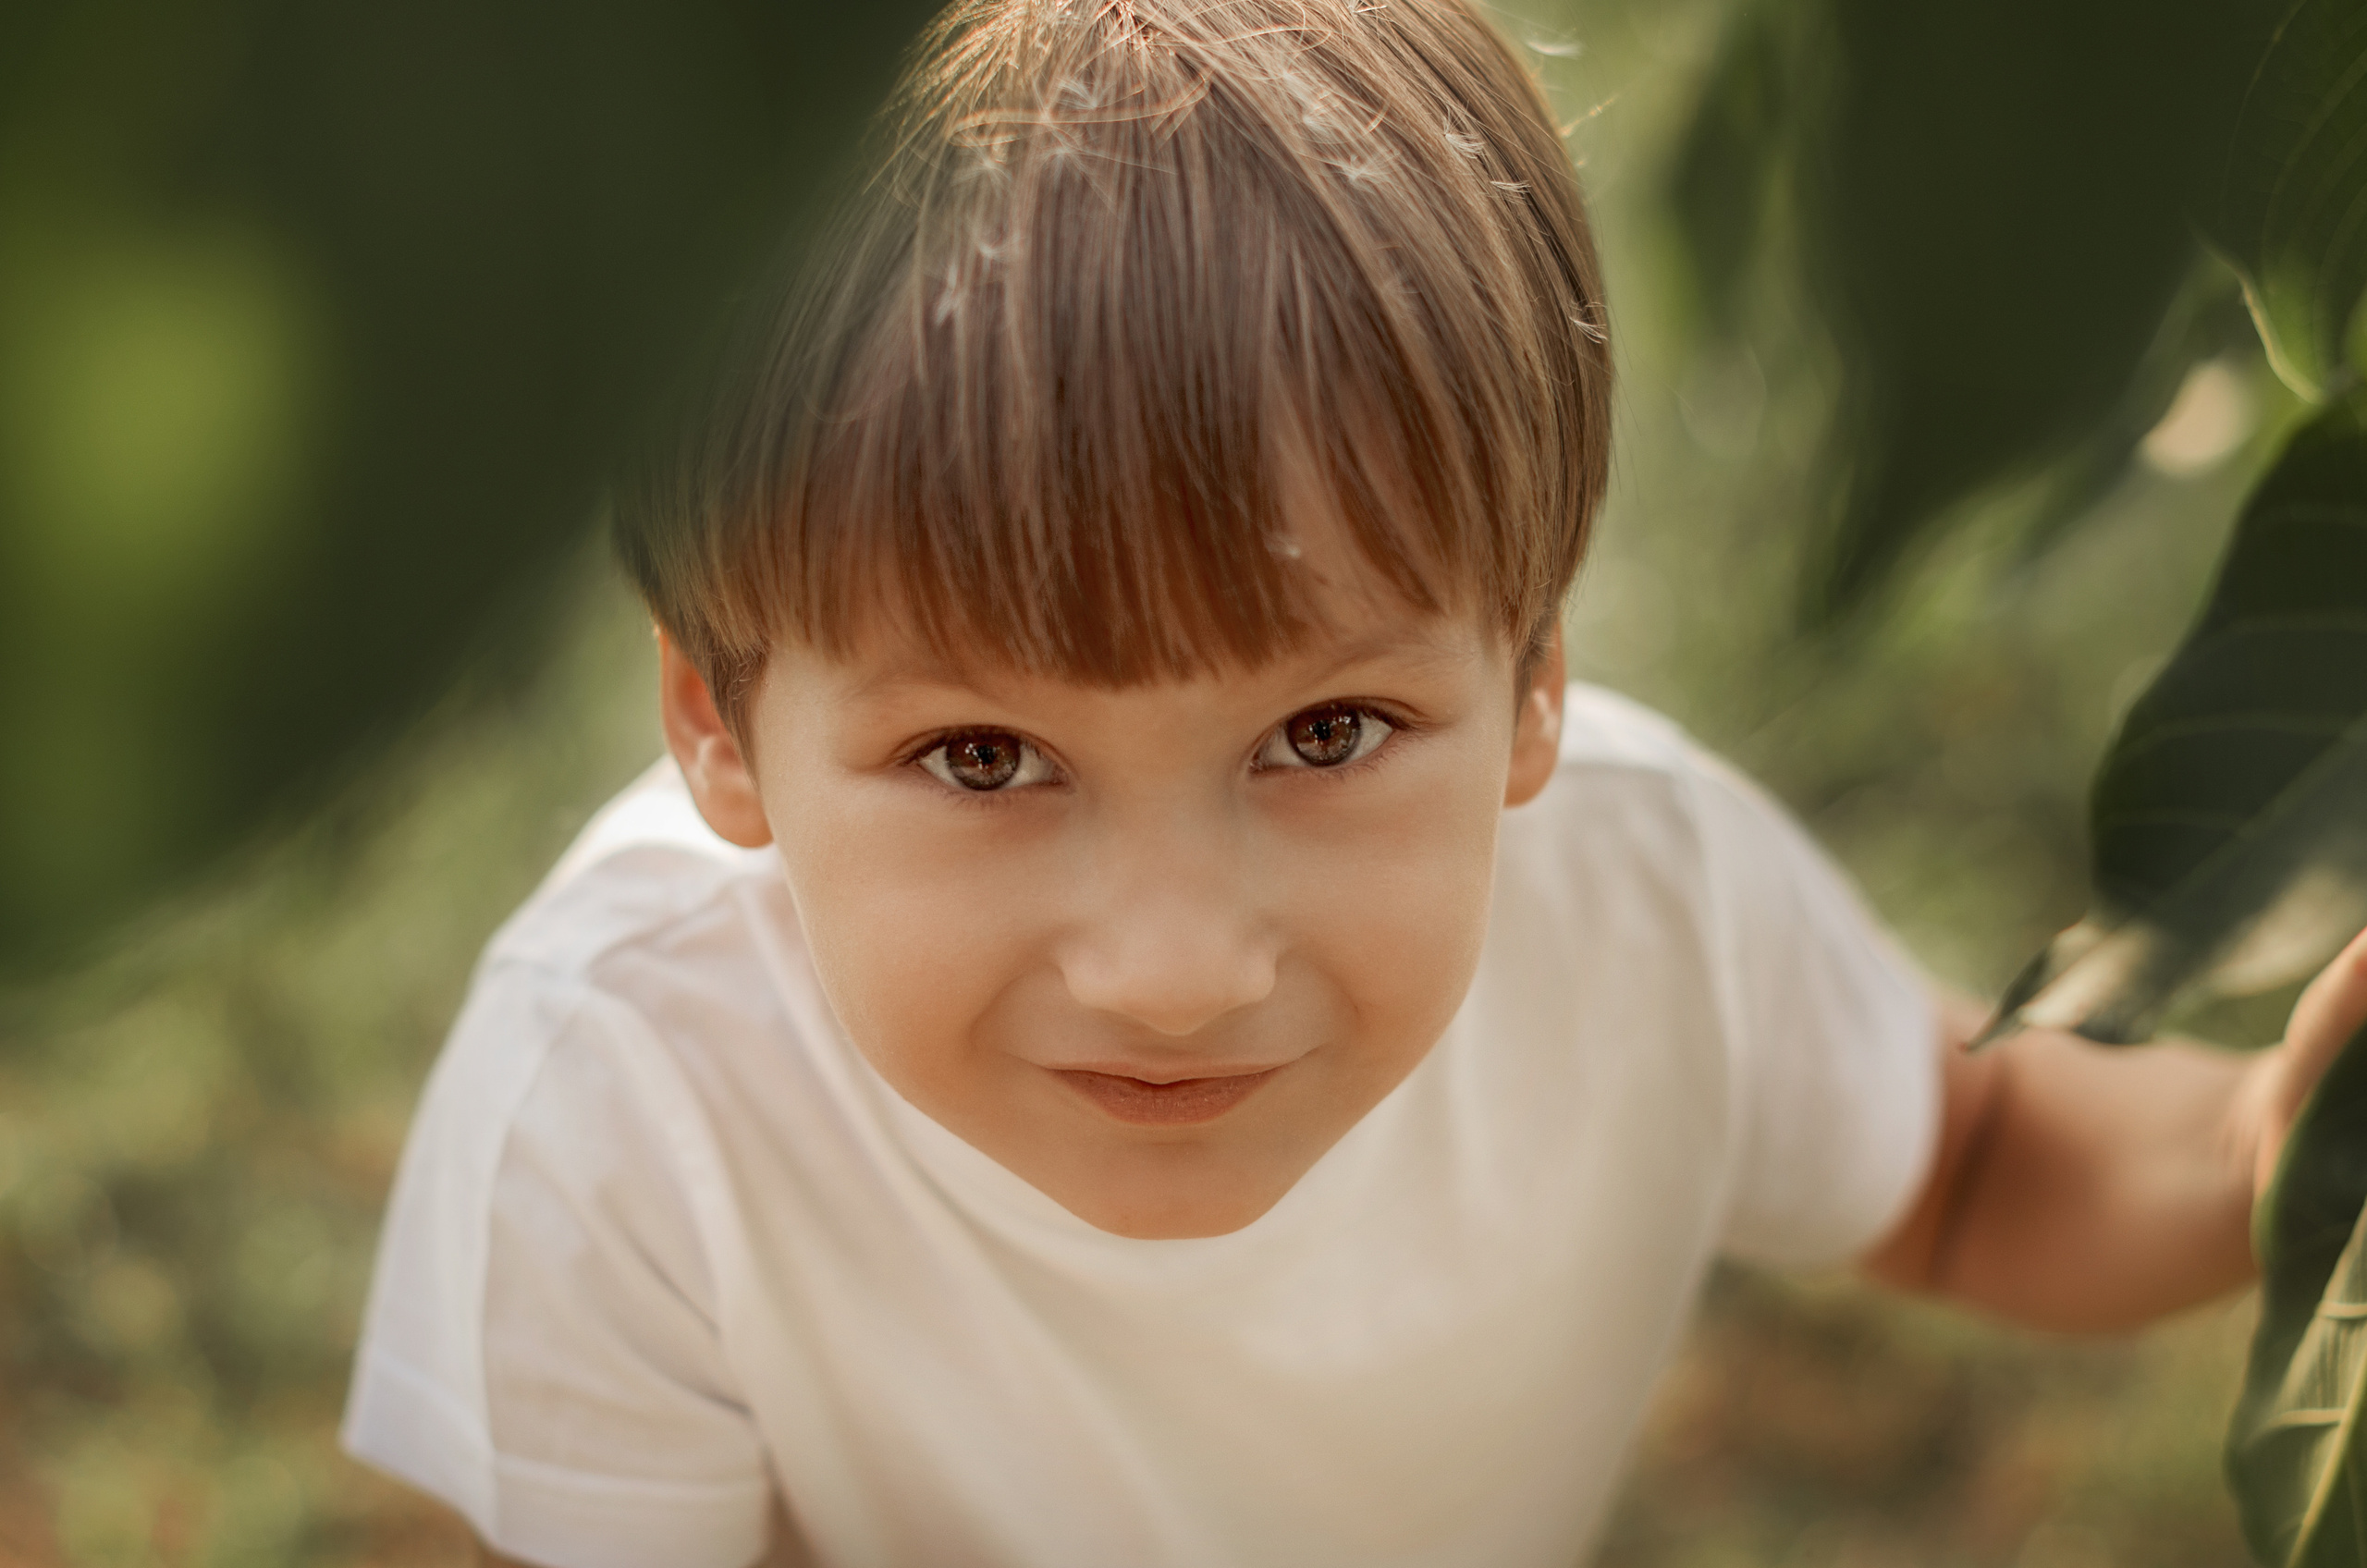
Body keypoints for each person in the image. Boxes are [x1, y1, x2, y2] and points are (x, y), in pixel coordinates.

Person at [339, 1, 2367, 1564]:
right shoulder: (620, 1101)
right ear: (717, 725)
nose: (1172, 964)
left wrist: (2279, 1133)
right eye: (980, 755)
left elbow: (1967, 1166)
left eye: (1320, 734)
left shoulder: (1633, 888)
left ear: (1533, 671)